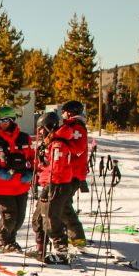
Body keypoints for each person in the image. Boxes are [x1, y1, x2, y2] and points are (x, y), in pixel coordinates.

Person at [0, 106, 34, 252]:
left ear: (12, 120)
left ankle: (11, 240)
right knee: (9, 216)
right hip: (3, 186)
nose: (3, 123)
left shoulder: (25, 138)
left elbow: (32, 157)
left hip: (21, 185)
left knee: (20, 218)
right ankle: (3, 241)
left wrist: (30, 172)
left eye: (6, 120)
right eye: (0, 120)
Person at [46, 100, 89, 250]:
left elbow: (78, 148)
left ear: (69, 112)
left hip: (72, 173)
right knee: (64, 205)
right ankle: (74, 236)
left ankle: (77, 237)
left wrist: (60, 142)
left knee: (63, 206)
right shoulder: (72, 126)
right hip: (70, 172)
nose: (62, 115)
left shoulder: (76, 127)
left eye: (63, 112)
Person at [29, 111, 59, 260]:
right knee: (39, 218)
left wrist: (47, 187)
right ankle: (41, 248)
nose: (40, 132)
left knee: (44, 218)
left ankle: (58, 248)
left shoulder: (57, 143)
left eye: (42, 128)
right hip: (46, 182)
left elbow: (56, 167)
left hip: (53, 185)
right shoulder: (47, 143)